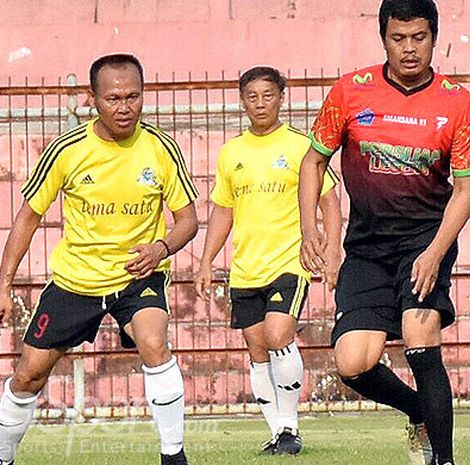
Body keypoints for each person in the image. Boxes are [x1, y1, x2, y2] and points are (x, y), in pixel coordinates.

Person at [298, 1, 470, 464]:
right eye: (398, 38)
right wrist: (309, 229)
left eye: (418, 38)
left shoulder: (456, 101)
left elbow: (466, 188)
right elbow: (313, 161)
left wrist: (436, 252)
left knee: (419, 335)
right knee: (353, 363)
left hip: (426, 238)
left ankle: (442, 459)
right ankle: (420, 411)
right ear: (384, 38)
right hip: (366, 245)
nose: (409, 49)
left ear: (434, 37)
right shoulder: (350, 91)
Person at [0, 54, 198, 465]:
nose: (124, 107)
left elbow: (188, 221)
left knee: (153, 342)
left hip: (137, 276)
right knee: (28, 375)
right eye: (113, 99)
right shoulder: (67, 150)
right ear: (93, 99)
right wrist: (3, 284)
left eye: (133, 97)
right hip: (77, 282)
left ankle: (173, 457)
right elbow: (27, 218)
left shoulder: (161, 148)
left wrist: (160, 249)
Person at [194, 66, 341, 456]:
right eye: (252, 97)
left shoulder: (300, 147)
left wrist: (332, 248)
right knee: (257, 349)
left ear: (282, 97)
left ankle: (291, 425)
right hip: (246, 269)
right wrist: (208, 260)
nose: (260, 103)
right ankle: (278, 432)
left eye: (268, 95)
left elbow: (329, 200)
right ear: (243, 101)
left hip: (289, 263)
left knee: (279, 336)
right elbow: (223, 211)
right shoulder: (232, 152)